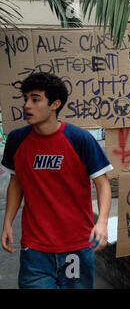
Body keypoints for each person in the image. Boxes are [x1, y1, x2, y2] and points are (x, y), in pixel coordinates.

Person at [1, 72, 113, 289]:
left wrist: (102, 222)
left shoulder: (80, 139)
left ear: (55, 104)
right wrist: (7, 221)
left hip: (78, 246)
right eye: (25, 99)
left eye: (35, 99)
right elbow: (16, 182)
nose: (27, 105)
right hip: (35, 249)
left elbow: (103, 184)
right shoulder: (17, 140)